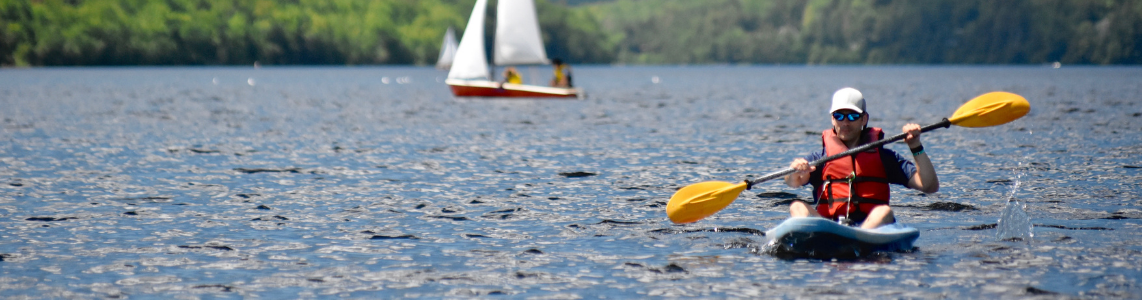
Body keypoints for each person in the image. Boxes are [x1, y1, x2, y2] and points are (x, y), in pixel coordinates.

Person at [783, 87, 939, 229]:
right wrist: (795, 171)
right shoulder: (820, 159)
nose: (845, 122)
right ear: (832, 119)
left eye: (852, 116)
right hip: (828, 228)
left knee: (884, 211)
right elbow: (792, 182)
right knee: (797, 206)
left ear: (864, 119)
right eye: (839, 116)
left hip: (870, 228)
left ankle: (856, 238)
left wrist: (915, 146)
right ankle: (808, 236)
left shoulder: (884, 158)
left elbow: (929, 186)